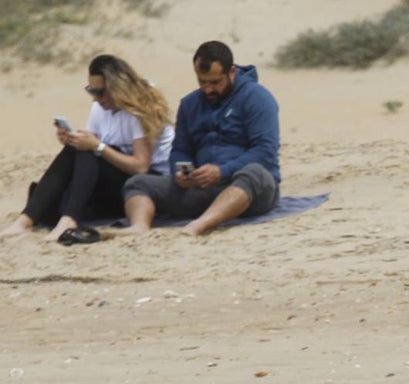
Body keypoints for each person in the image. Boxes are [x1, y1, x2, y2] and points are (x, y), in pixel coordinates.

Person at [1, 55, 173, 242]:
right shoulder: (100, 108)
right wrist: (72, 140)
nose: (96, 98)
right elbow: (88, 158)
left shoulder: (139, 108)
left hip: (145, 184)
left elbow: (141, 167)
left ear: (118, 89)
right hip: (117, 177)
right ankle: (26, 220)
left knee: (89, 150)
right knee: (78, 150)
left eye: (101, 92)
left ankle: (68, 219)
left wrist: (97, 146)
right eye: (91, 90)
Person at [122, 41, 280, 236]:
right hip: (201, 189)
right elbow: (181, 149)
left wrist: (221, 172)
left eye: (215, 82)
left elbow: (265, 151)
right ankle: (139, 227)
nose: (208, 89)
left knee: (256, 173)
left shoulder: (257, 98)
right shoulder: (189, 104)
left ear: (231, 72)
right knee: (137, 183)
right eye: (202, 81)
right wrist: (182, 172)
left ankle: (200, 225)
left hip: (245, 189)